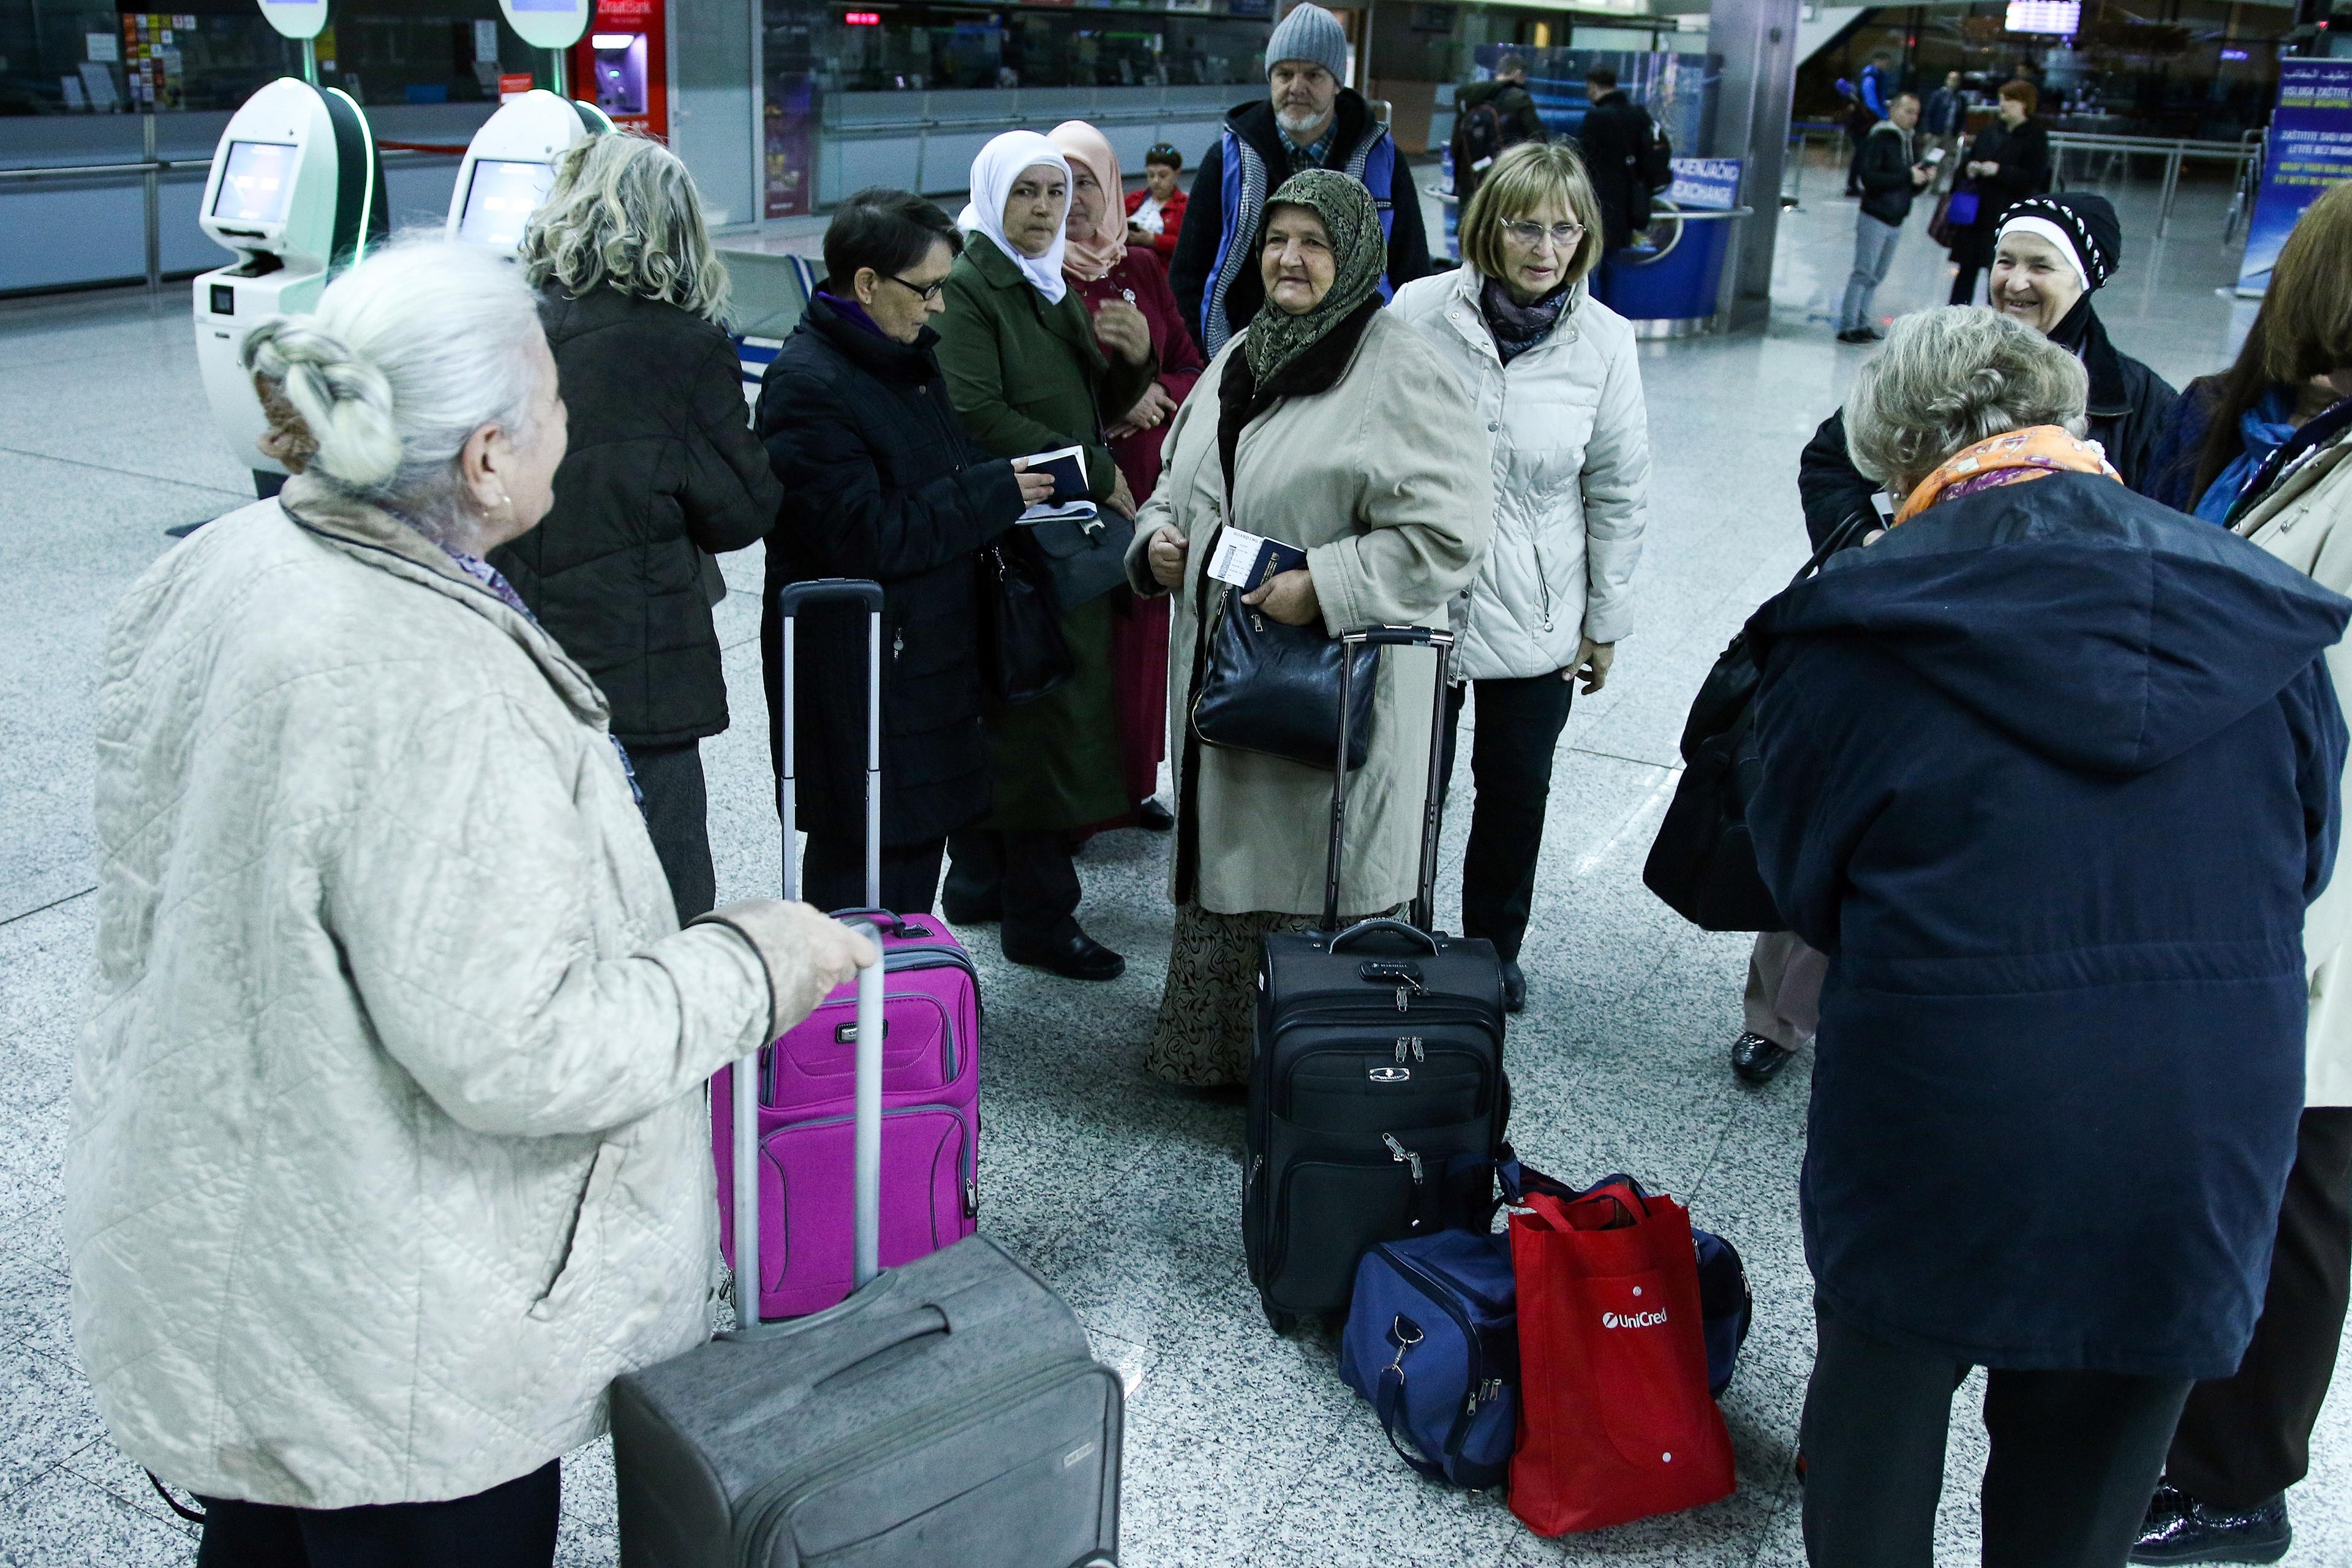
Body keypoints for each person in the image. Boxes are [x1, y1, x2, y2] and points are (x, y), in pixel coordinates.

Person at [70, 239, 872, 1566]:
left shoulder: (224, 563)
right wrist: (754, 958)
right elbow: (521, 1045)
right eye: (554, 396)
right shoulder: (432, 680)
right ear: (491, 458)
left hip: (252, 1249)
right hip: (402, 1335)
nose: (571, 418)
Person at [1746, 305, 2349, 1567]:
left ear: (1897, 451)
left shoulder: (1858, 625)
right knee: (2088, 1490)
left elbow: (1804, 881)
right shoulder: (2264, 617)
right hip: (2201, 1124)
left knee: (1884, 1413)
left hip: (1945, 1103)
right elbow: (2302, 859)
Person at [1124, 168, 1492, 1085]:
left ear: (1358, 254)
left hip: (1327, 691)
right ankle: (1218, 1059)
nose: (1290, 258)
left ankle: (1311, 1079)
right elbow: (1179, 476)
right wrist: (1155, 539)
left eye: (1316, 242)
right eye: (1278, 238)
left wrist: (1323, 583)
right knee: (1229, 865)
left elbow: (1448, 538)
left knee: (1311, 872)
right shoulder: (1243, 349)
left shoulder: (1403, 371)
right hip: (1228, 676)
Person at [2136, 179, 2352, 1566]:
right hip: (2226, 855)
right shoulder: (2273, 429)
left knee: (2301, 1191)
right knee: (2238, 1176)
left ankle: (2239, 1482)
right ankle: (2191, 1440)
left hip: (2308, 874)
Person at [489, 131, 780, 925]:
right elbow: (738, 512)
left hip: (512, 649)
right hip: (638, 656)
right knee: (665, 889)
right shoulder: (686, 346)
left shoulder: (504, 324)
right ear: (681, 231)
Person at [1390, 141, 1648, 1015]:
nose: (1546, 248)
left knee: (1513, 792)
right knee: (1406, 786)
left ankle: (1492, 948)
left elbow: (1617, 487)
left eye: (1565, 230)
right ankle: (1398, 930)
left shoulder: (1605, 343)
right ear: (1488, 228)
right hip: (1418, 593)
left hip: (1536, 609)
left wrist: (1604, 621)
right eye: (1526, 226)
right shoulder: (1420, 309)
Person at [755, 189, 1052, 914]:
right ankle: (853, 1026)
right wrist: (992, 493)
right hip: (862, 679)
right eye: (928, 290)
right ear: (865, 284)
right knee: (867, 872)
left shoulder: (899, 360)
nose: (939, 308)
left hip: (921, 666)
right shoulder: (807, 385)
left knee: (912, 860)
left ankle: (903, 1016)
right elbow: (867, 533)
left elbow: (929, 471)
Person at [933, 131, 1157, 980]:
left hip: (1048, 535)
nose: (1042, 210)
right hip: (1017, 544)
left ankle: (984, 881)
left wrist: (1129, 366)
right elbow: (977, 413)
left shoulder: (1045, 280)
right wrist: (1096, 473)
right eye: (1025, 192)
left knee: (1026, 711)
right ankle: (1040, 913)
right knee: (1042, 723)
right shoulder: (973, 285)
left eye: (1055, 194)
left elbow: (1083, 404)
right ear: (993, 193)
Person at [1799, 191, 2177, 564]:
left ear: (2086, 279)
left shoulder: (2141, 402)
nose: (2014, 283)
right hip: (1932, 597)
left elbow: (2166, 524)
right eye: (2006, 261)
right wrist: (1869, 541)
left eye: (2040, 267)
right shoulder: (1939, 361)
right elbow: (1831, 462)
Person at [1050, 119, 1208, 833]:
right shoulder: (1037, 275)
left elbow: (1190, 364)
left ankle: (1134, 784)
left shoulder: (1141, 268)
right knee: (1086, 645)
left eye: (1086, 181)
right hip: (1081, 495)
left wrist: (1160, 388)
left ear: (1112, 188)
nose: (1073, 198)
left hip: (1148, 491)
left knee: (1144, 643)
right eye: (1057, 183)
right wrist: (1122, 400)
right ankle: (1079, 796)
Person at [1168, 1, 1431, 355]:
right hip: (1243, 358)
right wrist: (1206, 358)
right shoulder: (1228, 160)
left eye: (1313, 75)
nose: (1297, 87)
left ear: (1338, 84)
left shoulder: (1380, 161)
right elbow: (1188, 274)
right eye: (1284, 74)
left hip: (1350, 359)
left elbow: (1413, 274)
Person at [2144, 300, 2341, 521]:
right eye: (2324, 316)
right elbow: (2149, 525)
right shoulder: (2207, 403)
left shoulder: (2344, 446)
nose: (2332, 339)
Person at [1836, 92, 1934, 345]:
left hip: (1896, 217)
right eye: (1908, 111)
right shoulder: (1880, 138)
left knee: (1877, 274)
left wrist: (1921, 181)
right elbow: (1870, 179)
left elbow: (1908, 186)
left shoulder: (1909, 142)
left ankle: (1863, 321)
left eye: (1916, 113)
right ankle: (1848, 324)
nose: (1912, 117)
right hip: (1876, 215)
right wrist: (1907, 176)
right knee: (1864, 272)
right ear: (1893, 111)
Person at [1947, 78, 2050, 306]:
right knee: (1967, 269)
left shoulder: (2035, 138)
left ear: (2023, 104)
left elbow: (2035, 178)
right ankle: (1954, 317)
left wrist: (2000, 171)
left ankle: (1996, 320)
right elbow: (1968, 161)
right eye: (2001, 99)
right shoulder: (1990, 131)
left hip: (2007, 215)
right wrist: (1970, 168)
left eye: (2008, 100)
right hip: (1977, 214)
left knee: (2000, 272)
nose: (2002, 105)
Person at [1574, 66, 1656, 301]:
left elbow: (1581, 158)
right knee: (1614, 264)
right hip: (1630, 201)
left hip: (1599, 201)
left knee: (1590, 263)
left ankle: (1590, 314)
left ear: (1593, 86)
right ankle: (1613, 315)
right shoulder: (1639, 115)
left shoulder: (1597, 118)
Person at [1449, 51, 1548, 208]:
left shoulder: (1468, 97)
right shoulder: (1519, 98)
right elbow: (1539, 139)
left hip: (1471, 178)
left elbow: (1457, 141)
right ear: (1518, 74)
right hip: (1505, 179)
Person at [1125, 143, 1189, 266]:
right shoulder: (1131, 200)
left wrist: (1153, 240)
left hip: (1162, 273)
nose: (1156, 181)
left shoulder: (1186, 207)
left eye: (1163, 175)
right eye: (1151, 175)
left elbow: (1190, 246)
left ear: (1177, 173)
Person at [1843, 50, 1894, 197]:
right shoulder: (1871, 78)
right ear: (1878, 61)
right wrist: (1884, 116)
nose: (1887, 65)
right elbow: (1871, 102)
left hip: (1862, 122)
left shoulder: (1874, 76)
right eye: (1885, 62)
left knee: (1862, 154)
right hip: (1863, 123)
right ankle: (1852, 185)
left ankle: (1854, 184)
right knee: (1861, 154)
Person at [1923, 69, 1966, 189]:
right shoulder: (1938, 95)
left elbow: (1962, 116)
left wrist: (1962, 130)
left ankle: (1935, 186)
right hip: (1936, 132)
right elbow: (1929, 113)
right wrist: (1927, 130)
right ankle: (1924, 184)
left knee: (1944, 161)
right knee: (1931, 158)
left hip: (1951, 133)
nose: (1953, 82)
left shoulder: (1960, 98)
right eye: (1951, 79)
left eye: (1956, 80)